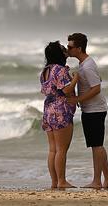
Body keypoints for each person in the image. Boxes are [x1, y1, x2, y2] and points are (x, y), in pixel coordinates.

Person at [66, 33, 108, 189]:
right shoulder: (85, 64)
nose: (68, 49)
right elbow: (98, 80)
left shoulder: (87, 66)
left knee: (97, 146)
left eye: (70, 47)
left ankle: (96, 181)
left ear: (79, 48)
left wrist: (77, 100)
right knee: (97, 145)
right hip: (91, 109)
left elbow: (96, 88)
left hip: (95, 110)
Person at [41, 41, 79, 189]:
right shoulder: (60, 70)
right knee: (62, 149)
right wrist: (76, 77)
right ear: (59, 54)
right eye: (63, 49)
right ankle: (62, 181)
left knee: (52, 149)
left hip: (48, 111)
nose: (65, 51)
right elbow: (66, 90)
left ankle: (54, 182)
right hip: (61, 111)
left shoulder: (46, 71)